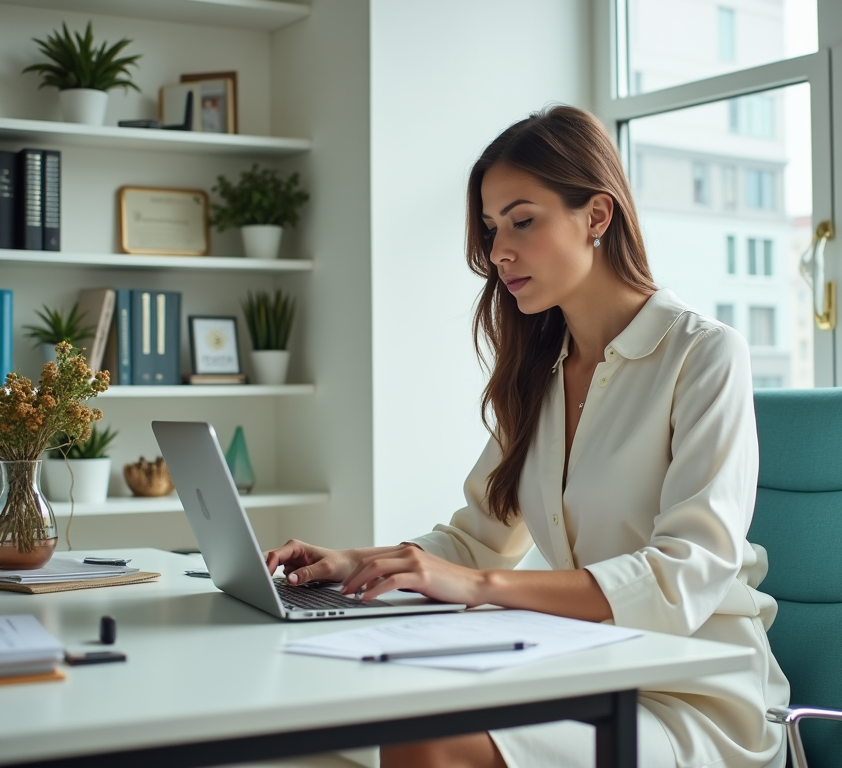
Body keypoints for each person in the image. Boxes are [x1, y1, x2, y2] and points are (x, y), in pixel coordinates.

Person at [265, 105, 789, 768]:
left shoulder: (704, 354)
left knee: (423, 739)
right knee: (375, 712)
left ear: (596, 216)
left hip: (694, 698)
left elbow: (685, 574)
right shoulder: (541, 375)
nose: (499, 251)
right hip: (584, 675)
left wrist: (480, 585)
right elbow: (473, 537)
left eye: (523, 220)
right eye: (490, 228)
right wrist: (351, 564)